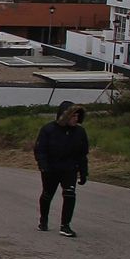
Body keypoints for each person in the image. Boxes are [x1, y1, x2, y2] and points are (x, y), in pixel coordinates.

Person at [34, 101, 89, 237]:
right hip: (51, 168)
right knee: (47, 195)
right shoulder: (48, 129)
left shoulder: (80, 132)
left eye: (77, 116)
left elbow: (83, 154)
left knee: (70, 194)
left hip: (69, 168)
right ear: (64, 116)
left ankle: (65, 226)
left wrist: (83, 172)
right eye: (72, 116)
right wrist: (43, 165)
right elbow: (40, 150)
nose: (75, 119)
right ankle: (43, 220)